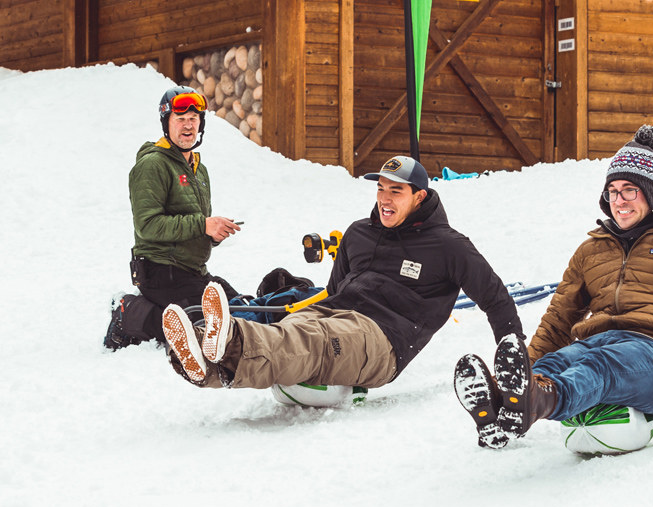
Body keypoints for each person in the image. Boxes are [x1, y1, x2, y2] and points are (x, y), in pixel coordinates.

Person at [452, 126, 653, 452]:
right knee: (555, 365)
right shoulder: (591, 251)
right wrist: (527, 370)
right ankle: (503, 406)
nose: (619, 201)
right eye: (613, 191)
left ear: (652, 193)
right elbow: (558, 322)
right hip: (596, 344)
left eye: (630, 190)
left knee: (598, 366)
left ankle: (531, 401)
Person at [161, 155, 524, 397]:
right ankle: (198, 359)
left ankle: (229, 336)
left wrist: (516, 360)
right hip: (335, 314)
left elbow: (496, 299)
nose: (384, 198)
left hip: (383, 340)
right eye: (380, 188)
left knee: (311, 341)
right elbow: (335, 291)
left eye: (395, 191)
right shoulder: (359, 233)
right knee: (292, 330)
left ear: (419, 196)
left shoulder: (449, 246)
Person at [103, 86, 241, 350]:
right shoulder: (152, 165)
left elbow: (194, 225)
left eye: (194, 119)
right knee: (200, 327)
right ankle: (128, 313)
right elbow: (147, 226)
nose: (188, 126)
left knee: (235, 312)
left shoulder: (199, 170)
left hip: (192, 270)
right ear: (166, 123)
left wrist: (212, 233)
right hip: (159, 269)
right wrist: (203, 224)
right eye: (180, 119)